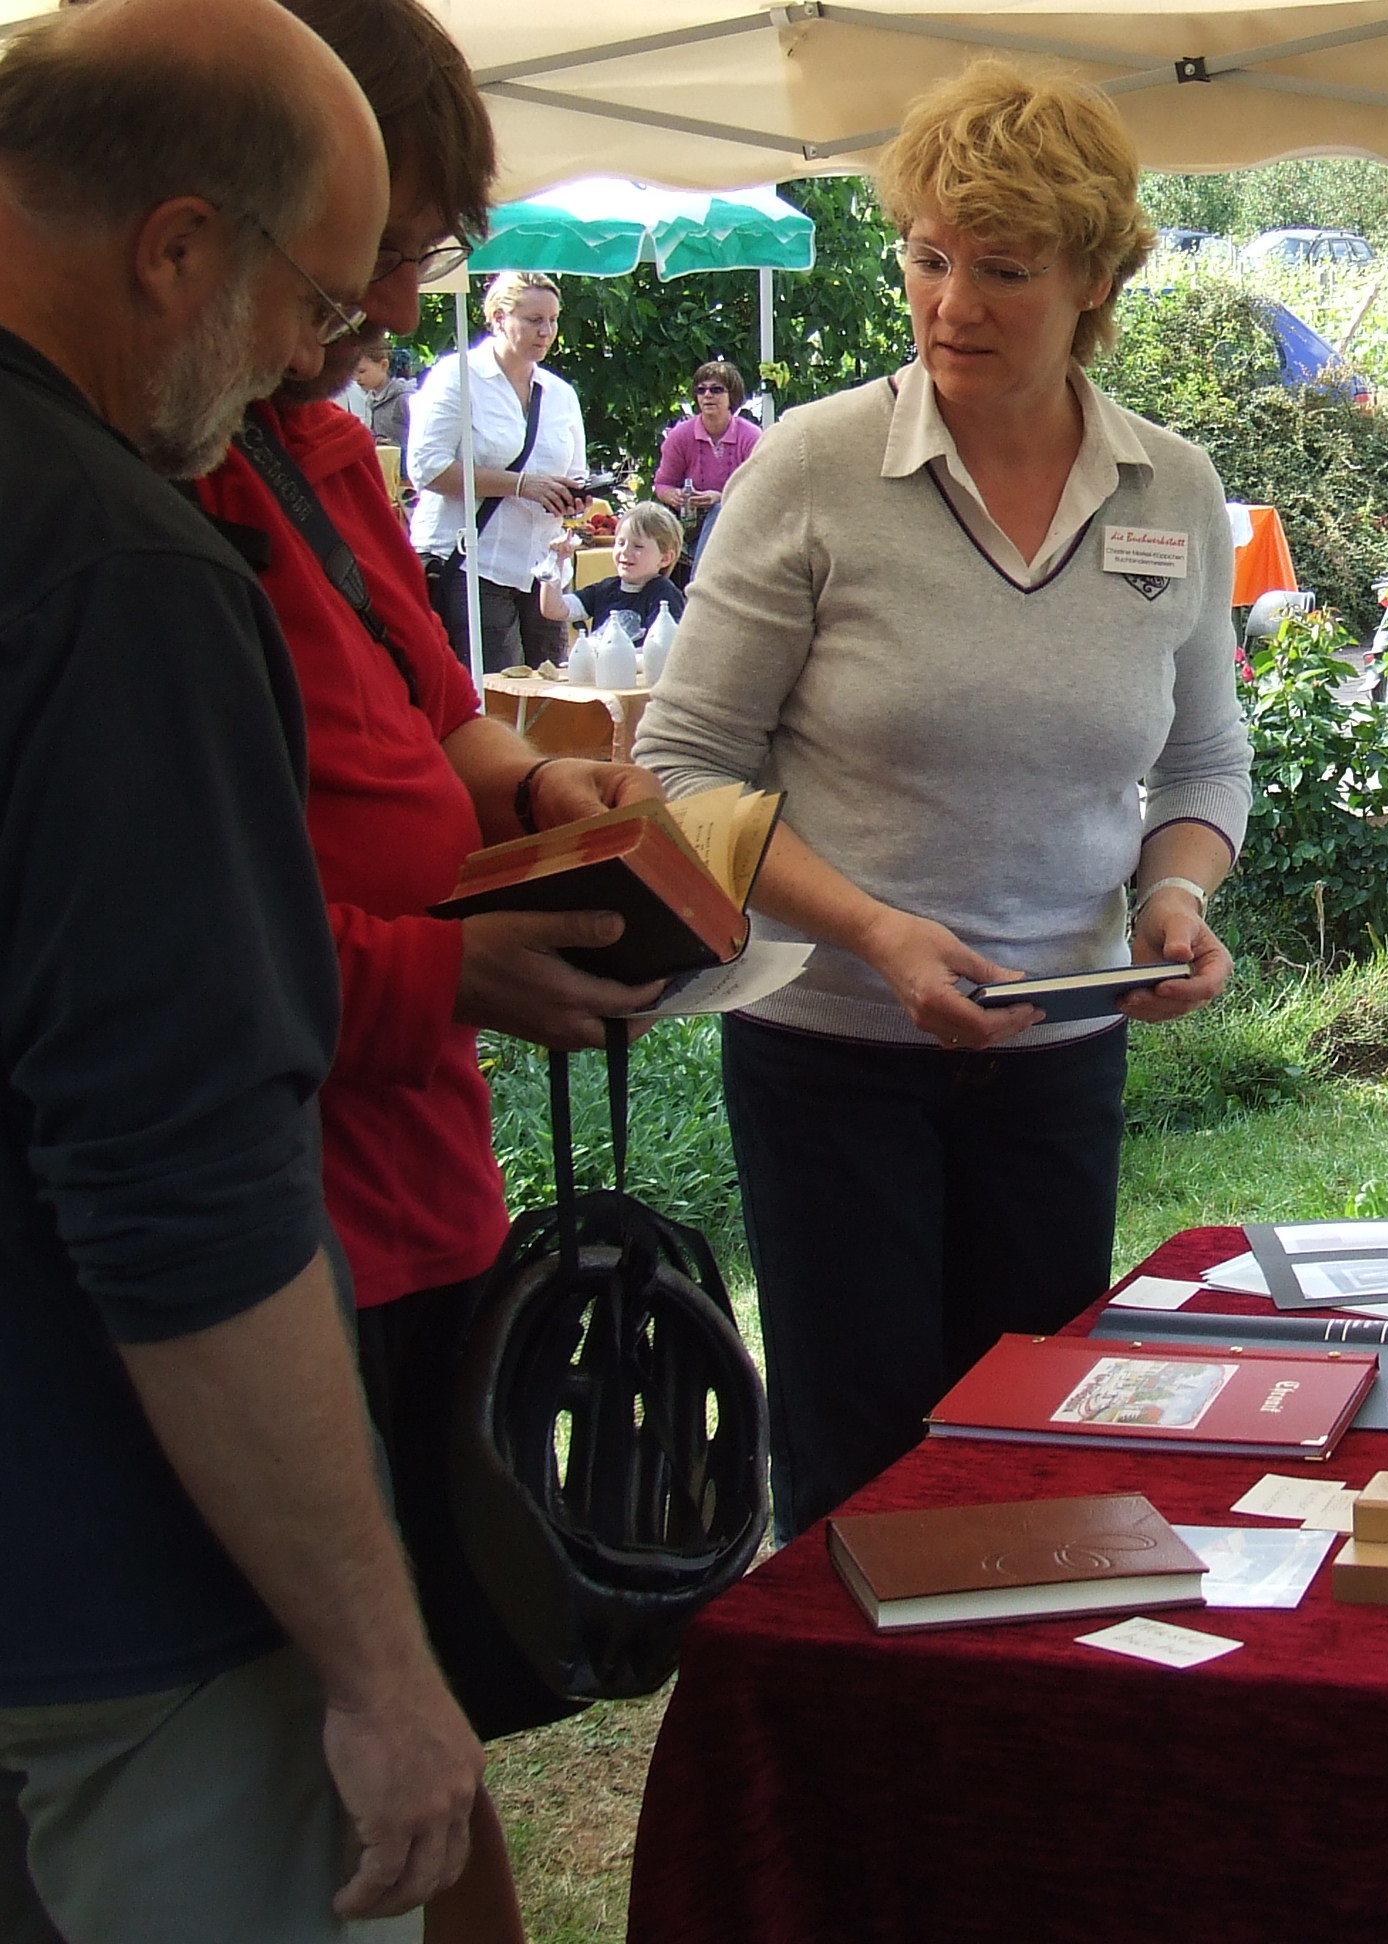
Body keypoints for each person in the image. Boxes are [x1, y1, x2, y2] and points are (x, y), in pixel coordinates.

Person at [0, 3, 487, 1938]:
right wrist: (377, 1660)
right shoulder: (116, 565)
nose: (314, 351)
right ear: (178, 244)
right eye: (308, 289)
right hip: (130, 1590)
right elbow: (180, 1177)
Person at [189, 1, 670, 1937]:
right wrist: (443, 977)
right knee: (342, 1739)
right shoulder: (144, 483)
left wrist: (546, 796)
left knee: (444, 1707)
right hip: (283, 1229)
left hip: (415, 1191)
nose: (397, 301)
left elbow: (425, 713)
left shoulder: (306, 443)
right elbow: (173, 949)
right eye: (377, 252)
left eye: (421, 253)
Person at [637, 60, 1253, 1538]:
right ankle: (852, 1767)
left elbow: (1200, 761)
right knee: (861, 1482)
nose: (952, 303)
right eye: (926, 256)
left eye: (1004, 268)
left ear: (1099, 279)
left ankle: (1008, 1760)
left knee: (1033, 1455)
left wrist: (1175, 894)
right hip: (835, 1055)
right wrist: (875, 931)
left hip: (1060, 1054)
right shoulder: (816, 467)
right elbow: (679, 770)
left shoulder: (1170, 486)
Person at [408, 269, 588, 671]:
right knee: (496, 692)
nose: (546, 331)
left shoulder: (559, 393)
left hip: (542, 567)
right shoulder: (456, 377)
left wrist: (574, 497)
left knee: (548, 693)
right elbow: (426, 468)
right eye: (533, 320)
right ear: (499, 319)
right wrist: (521, 485)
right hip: (473, 559)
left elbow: (574, 471)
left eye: (553, 320)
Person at [650, 358, 761, 577]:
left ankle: (699, 582)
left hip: (741, 524)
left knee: (720, 511)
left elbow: (760, 490)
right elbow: (662, 484)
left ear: (732, 396)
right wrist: (673, 495)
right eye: (701, 390)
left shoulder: (751, 437)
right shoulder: (681, 435)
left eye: (716, 389)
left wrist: (720, 497)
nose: (707, 395)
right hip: (689, 526)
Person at [540, 501, 687, 637]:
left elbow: (666, 647)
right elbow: (554, 610)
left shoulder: (665, 594)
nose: (625, 551)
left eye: (638, 546)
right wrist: (555, 561)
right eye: (621, 543)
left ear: (665, 558)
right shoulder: (605, 589)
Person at [338, 339, 411, 445]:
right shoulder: (370, 398)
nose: (356, 378)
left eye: (361, 371)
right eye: (352, 372)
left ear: (384, 365)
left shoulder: (403, 399)